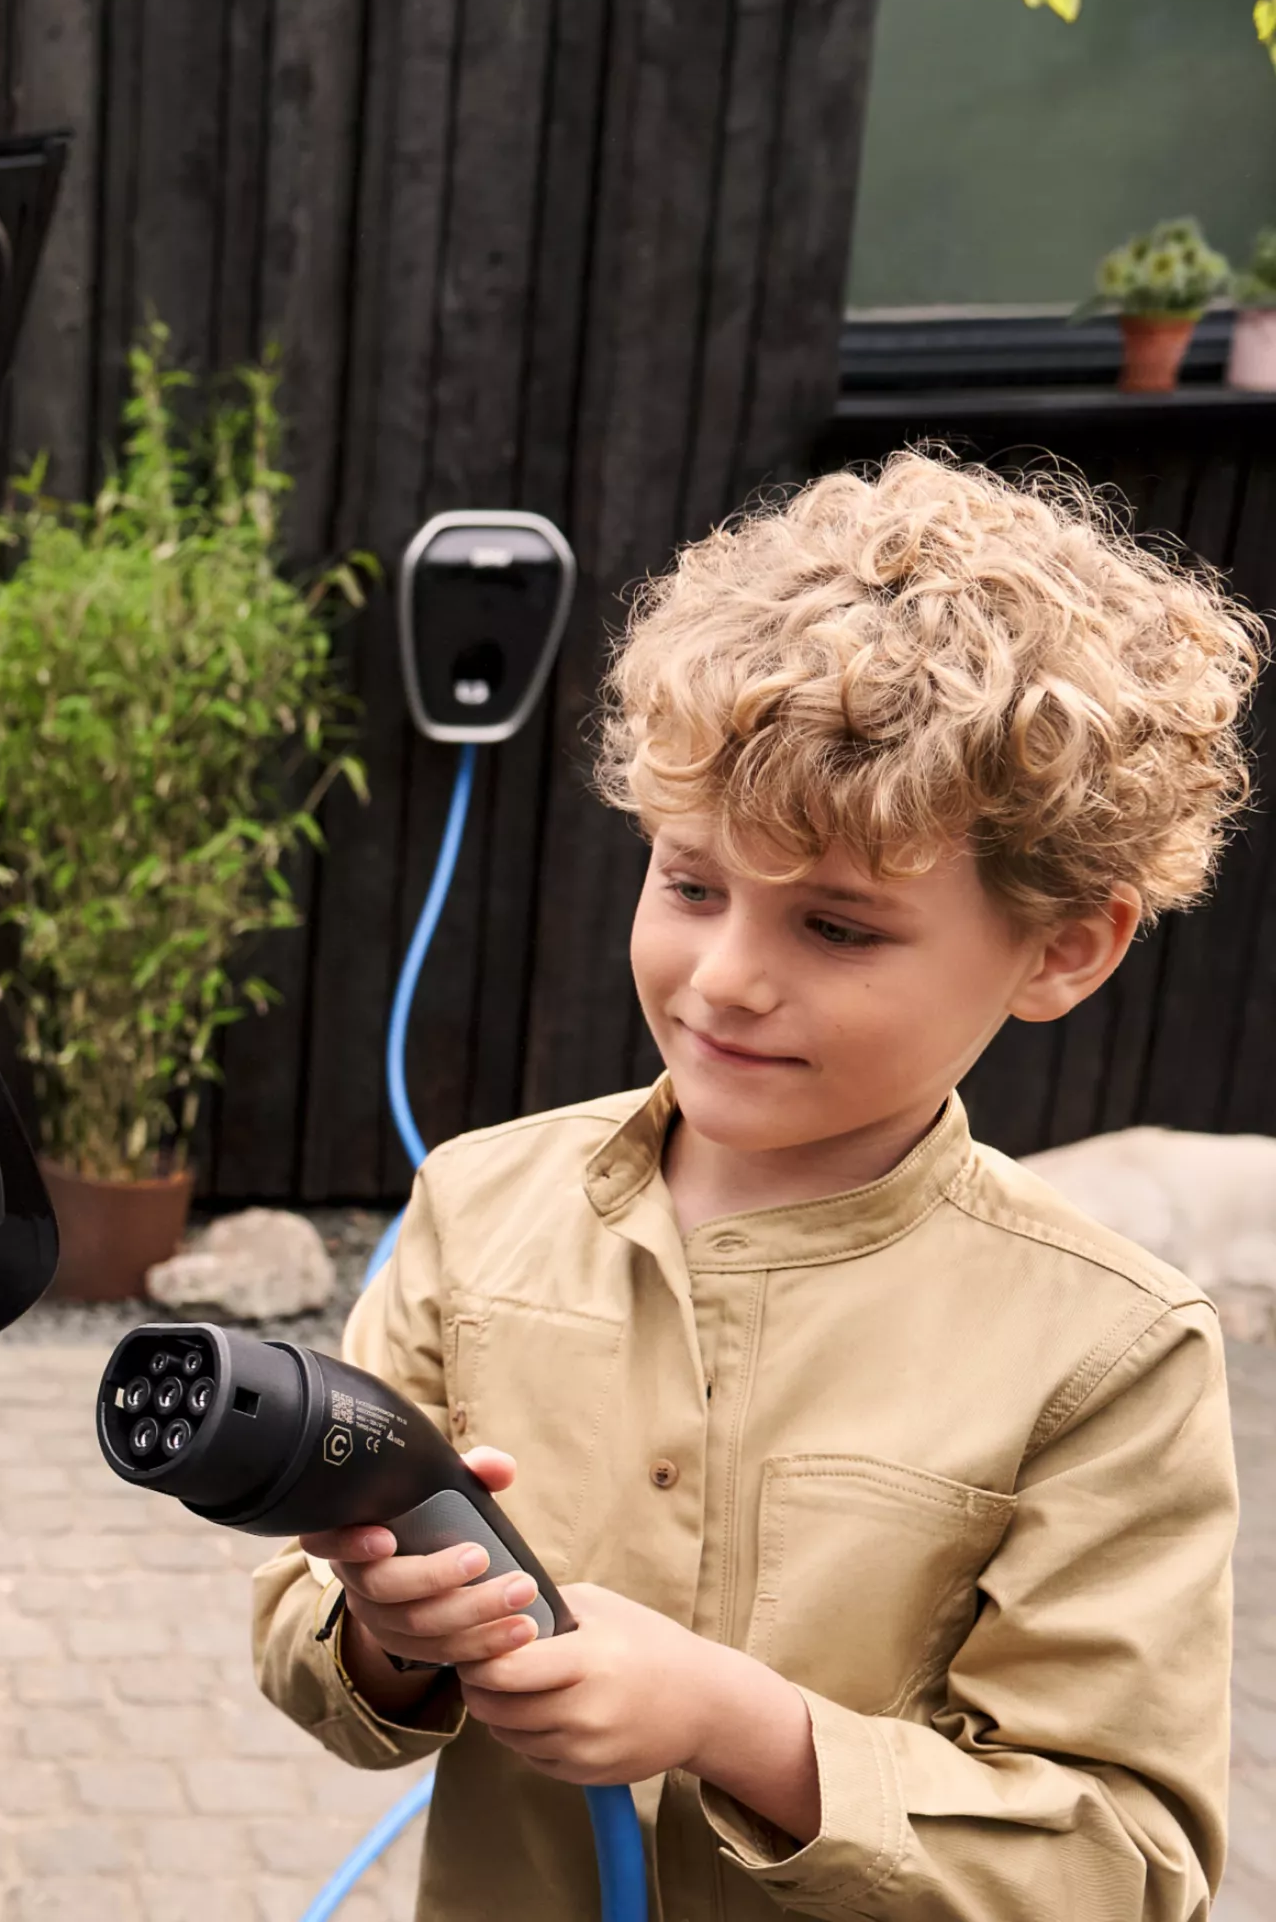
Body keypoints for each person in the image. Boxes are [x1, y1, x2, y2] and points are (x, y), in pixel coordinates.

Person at [254, 452, 1254, 1916]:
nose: (725, 980)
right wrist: (390, 1635)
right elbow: (306, 1635)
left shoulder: (1112, 1352)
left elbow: (1126, 1865)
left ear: (1063, 950)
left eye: (839, 929)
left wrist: (751, 1734)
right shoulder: (478, 1208)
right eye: (691, 882)